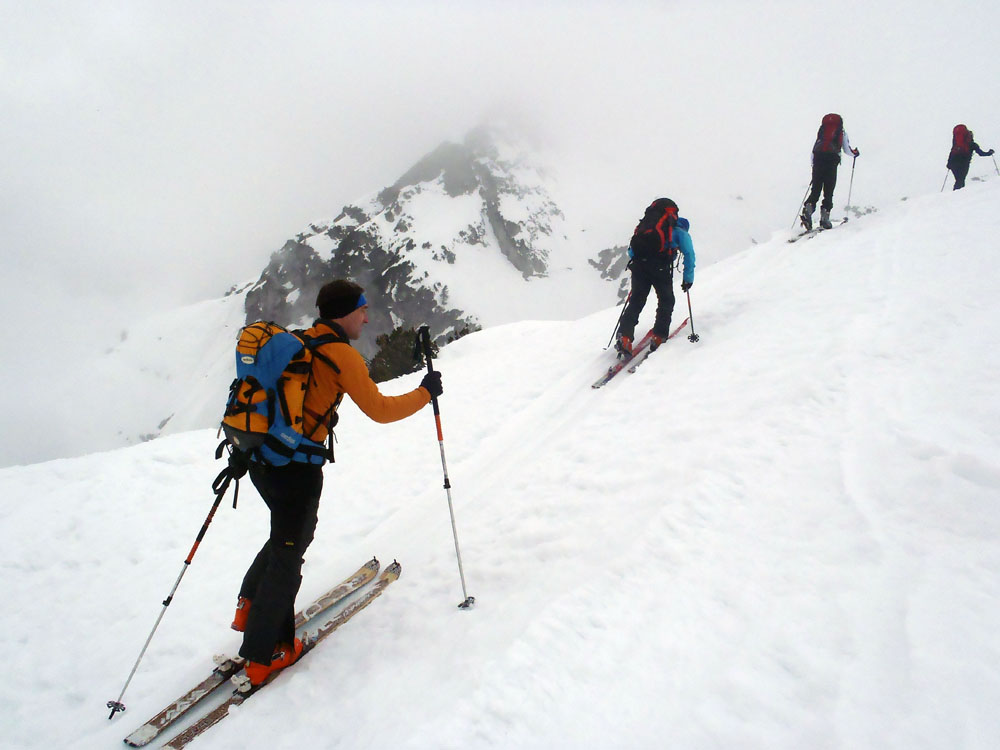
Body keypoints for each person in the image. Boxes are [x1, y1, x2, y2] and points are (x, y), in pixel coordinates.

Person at [230, 279, 442, 686]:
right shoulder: (342, 355)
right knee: (290, 554)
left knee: (285, 536)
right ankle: (265, 654)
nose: (366, 316)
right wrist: (424, 393)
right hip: (296, 469)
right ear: (344, 313)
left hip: (261, 459)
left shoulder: (301, 340)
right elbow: (380, 409)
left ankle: (247, 607)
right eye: (362, 309)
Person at [616, 198, 695, 356]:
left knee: (637, 300)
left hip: (639, 265)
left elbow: (632, 251)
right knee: (666, 300)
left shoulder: (647, 227)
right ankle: (659, 336)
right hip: (659, 266)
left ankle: (624, 336)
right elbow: (689, 255)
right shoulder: (679, 232)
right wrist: (688, 279)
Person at [801, 113, 860, 230]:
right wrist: (855, 153)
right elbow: (847, 150)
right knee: (828, 190)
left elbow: (814, 151)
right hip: (831, 161)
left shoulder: (822, 132)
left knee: (816, 188)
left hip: (818, 159)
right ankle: (825, 218)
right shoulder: (841, 133)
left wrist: (814, 166)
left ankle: (808, 209)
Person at [947, 124, 994, 190]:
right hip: (964, 163)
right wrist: (990, 153)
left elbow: (952, 151)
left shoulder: (956, 143)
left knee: (958, 180)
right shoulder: (972, 144)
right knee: (961, 180)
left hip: (953, 163)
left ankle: (956, 195)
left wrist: (949, 163)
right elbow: (981, 153)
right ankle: (957, 196)